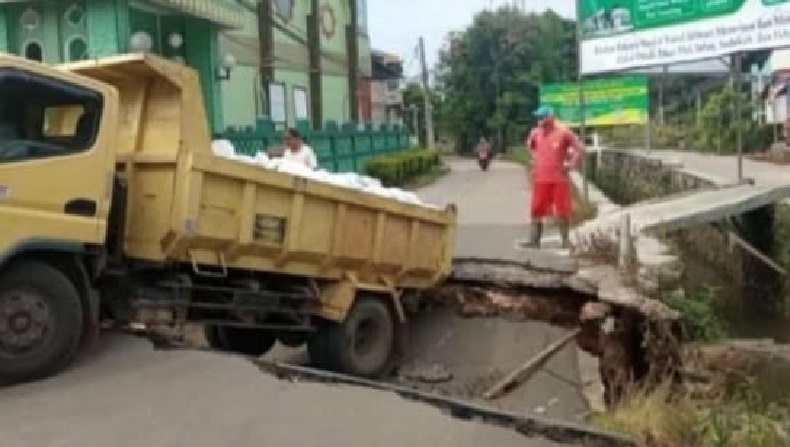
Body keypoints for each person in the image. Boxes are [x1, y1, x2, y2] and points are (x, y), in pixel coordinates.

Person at [524, 105, 585, 249]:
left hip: (558, 178)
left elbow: (580, 148)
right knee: (536, 209)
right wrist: (536, 159)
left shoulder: (563, 133)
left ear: (550, 117)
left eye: (542, 117)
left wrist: (571, 164)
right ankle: (534, 240)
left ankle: (565, 240)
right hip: (541, 178)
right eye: (538, 117)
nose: (539, 120)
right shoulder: (535, 133)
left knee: (562, 209)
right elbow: (529, 146)